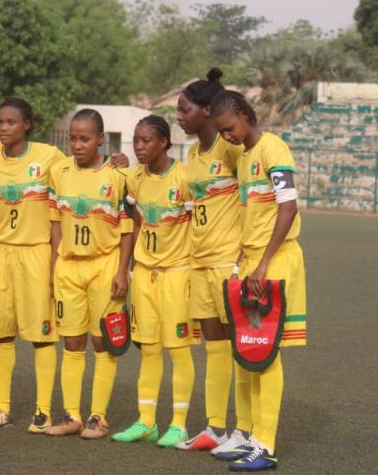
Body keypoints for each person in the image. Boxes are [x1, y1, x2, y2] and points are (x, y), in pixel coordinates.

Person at [211, 90, 307, 472]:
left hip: (276, 260)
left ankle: (265, 445)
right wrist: (243, 258)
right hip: (253, 261)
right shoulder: (244, 157)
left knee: (265, 354)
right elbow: (251, 215)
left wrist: (264, 261)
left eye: (229, 128)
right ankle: (250, 436)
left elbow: (289, 206)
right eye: (221, 132)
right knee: (247, 352)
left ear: (245, 115)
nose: (227, 137)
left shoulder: (273, 148)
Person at [0, 98, 64, 433]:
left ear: (27, 124)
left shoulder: (49, 156)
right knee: (0, 333)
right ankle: (2, 409)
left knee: (42, 335)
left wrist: (116, 164)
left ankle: (43, 412)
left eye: (11, 122)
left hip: (35, 253)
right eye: (0, 122)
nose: (3, 128)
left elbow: (79, 176)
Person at [174, 68, 252, 453]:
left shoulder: (232, 148)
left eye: (184, 110)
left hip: (228, 263)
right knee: (214, 348)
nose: (179, 117)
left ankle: (246, 430)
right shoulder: (192, 154)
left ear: (206, 111)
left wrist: (244, 256)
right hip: (200, 262)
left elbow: (255, 201)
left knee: (242, 349)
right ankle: (216, 427)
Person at [43, 109, 134, 439]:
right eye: (73, 138)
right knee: (72, 341)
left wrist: (122, 271)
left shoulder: (118, 175)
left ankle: (98, 417)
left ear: (100, 139)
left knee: (102, 341)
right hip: (68, 266)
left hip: (104, 265)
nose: (77, 145)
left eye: (85, 139)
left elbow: (127, 230)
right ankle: (72, 416)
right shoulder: (59, 172)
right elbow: (55, 223)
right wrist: (55, 266)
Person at [112, 115, 197, 448]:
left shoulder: (185, 178)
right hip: (145, 273)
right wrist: (129, 268)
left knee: (178, 350)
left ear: (164, 142)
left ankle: (179, 425)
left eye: (146, 140)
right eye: (136, 140)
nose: (139, 146)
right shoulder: (135, 178)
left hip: (177, 272)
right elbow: (136, 223)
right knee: (148, 349)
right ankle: (146, 422)